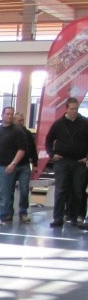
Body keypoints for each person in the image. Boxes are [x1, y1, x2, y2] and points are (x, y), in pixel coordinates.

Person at [43, 96, 88, 228]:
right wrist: (52, 154)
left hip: (79, 162)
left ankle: (74, 217)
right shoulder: (58, 124)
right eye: (72, 109)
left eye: (76, 109)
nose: (74, 111)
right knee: (61, 190)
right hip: (62, 161)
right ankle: (58, 218)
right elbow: (48, 140)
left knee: (77, 190)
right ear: (66, 109)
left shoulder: (85, 123)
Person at [12, 112, 37, 224]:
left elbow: (33, 149)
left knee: (24, 189)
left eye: (22, 120)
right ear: (14, 121)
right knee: (8, 190)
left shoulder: (27, 133)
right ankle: (8, 212)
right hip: (10, 165)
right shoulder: (9, 132)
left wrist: (35, 164)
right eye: (19, 120)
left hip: (24, 165)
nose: (21, 122)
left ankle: (23, 212)